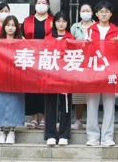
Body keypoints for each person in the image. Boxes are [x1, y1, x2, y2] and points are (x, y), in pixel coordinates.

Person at [85, 1, 118, 146]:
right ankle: (92, 136)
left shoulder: (116, 31)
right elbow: (84, 51)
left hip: (110, 71)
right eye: (101, 11)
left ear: (111, 14)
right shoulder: (90, 30)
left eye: (107, 11)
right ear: (96, 14)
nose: (104, 14)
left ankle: (107, 137)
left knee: (109, 105)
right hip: (93, 71)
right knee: (92, 104)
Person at [0, 15, 26, 145]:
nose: (10, 28)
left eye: (13, 25)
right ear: (4, 27)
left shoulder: (22, 41)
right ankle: (1, 131)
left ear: (17, 27)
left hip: (16, 77)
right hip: (0, 76)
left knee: (15, 103)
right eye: (8, 25)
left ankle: (12, 131)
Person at [23, 0, 53, 130]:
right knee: (32, 88)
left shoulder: (53, 20)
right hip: (31, 59)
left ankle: (44, 117)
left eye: (44, 2)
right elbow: (21, 37)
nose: (41, 5)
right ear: (35, 5)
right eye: (38, 2)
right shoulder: (27, 20)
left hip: (48, 58)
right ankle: (34, 117)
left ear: (48, 5)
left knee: (46, 88)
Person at [44, 12, 74, 146]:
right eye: (58, 21)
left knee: (65, 106)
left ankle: (64, 135)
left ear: (68, 23)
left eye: (64, 21)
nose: (61, 24)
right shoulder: (48, 38)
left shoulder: (72, 38)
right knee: (50, 106)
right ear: (54, 23)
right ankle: (50, 134)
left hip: (66, 77)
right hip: (50, 77)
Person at [70, 3, 95, 130]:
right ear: (79, 13)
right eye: (83, 10)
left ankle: (92, 120)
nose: (85, 12)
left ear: (92, 13)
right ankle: (79, 120)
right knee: (78, 94)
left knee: (92, 94)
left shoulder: (97, 26)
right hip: (78, 62)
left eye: (87, 10)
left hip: (94, 63)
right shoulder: (75, 27)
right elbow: (70, 42)